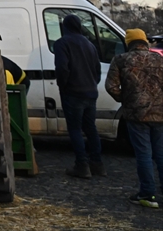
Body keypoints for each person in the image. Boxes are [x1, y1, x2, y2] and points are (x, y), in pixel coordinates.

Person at [106, 28, 163, 208]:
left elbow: (111, 87)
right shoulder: (160, 59)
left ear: (128, 43)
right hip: (160, 114)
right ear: (145, 42)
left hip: (136, 115)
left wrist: (128, 98)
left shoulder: (121, 60)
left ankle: (147, 194)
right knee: (161, 155)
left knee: (143, 155)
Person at [55, 14, 104, 178]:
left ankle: (82, 165)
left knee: (75, 129)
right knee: (91, 128)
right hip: (90, 92)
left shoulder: (62, 43)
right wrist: (92, 83)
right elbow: (97, 70)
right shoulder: (90, 45)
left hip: (73, 92)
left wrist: (64, 85)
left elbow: (62, 68)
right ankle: (97, 164)